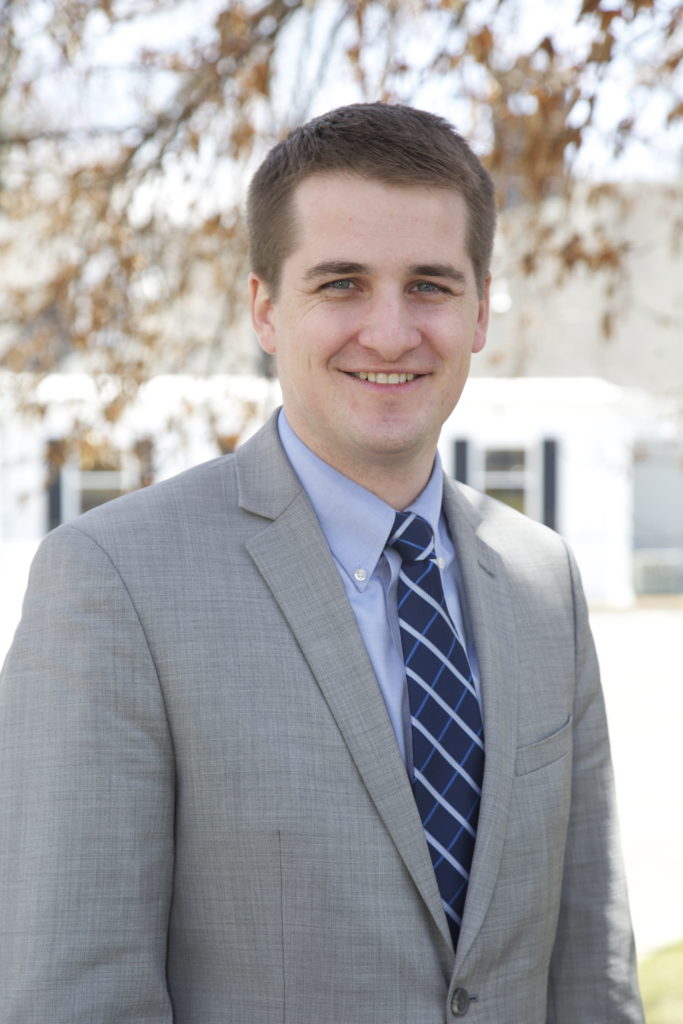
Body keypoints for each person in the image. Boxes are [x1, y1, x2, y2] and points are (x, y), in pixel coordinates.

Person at [0, 103, 643, 1023]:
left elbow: (593, 973)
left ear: (480, 312)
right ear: (265, 309)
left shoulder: (543, 580)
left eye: (429, 285)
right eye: (341, 284)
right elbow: (72, 996)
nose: (388, 333)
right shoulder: (112, 581)